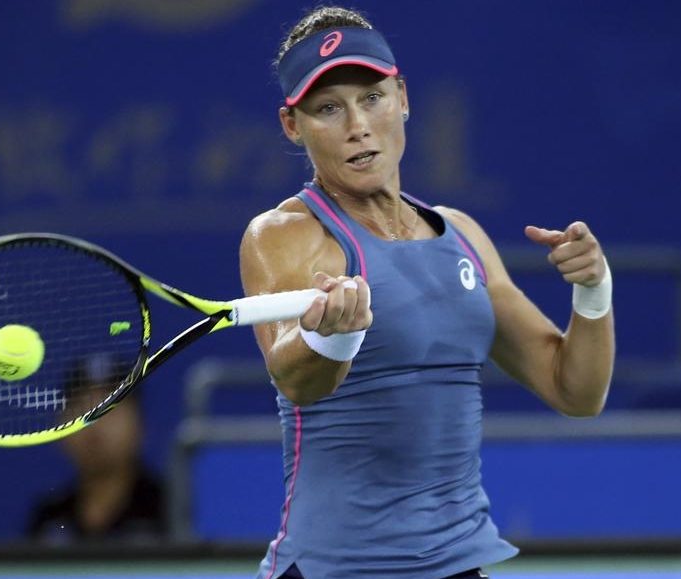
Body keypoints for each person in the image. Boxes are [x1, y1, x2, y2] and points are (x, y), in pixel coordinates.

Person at [238, 5, 615, 579]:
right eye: (329, 108)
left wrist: (593, 288)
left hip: (459, 564)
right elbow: (296, 380)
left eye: (372, 98)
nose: (357, 126)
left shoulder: (463, 236)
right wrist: (334, 339)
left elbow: (575, 390)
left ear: (403, 97)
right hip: (333, 570)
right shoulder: (284, 236)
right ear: (293, 125)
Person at [28, 354, 166, 545]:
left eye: (110, 408)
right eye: (82, 408)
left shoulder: (172, 508)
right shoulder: (48, 517)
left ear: (139, 425)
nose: (95, 425)